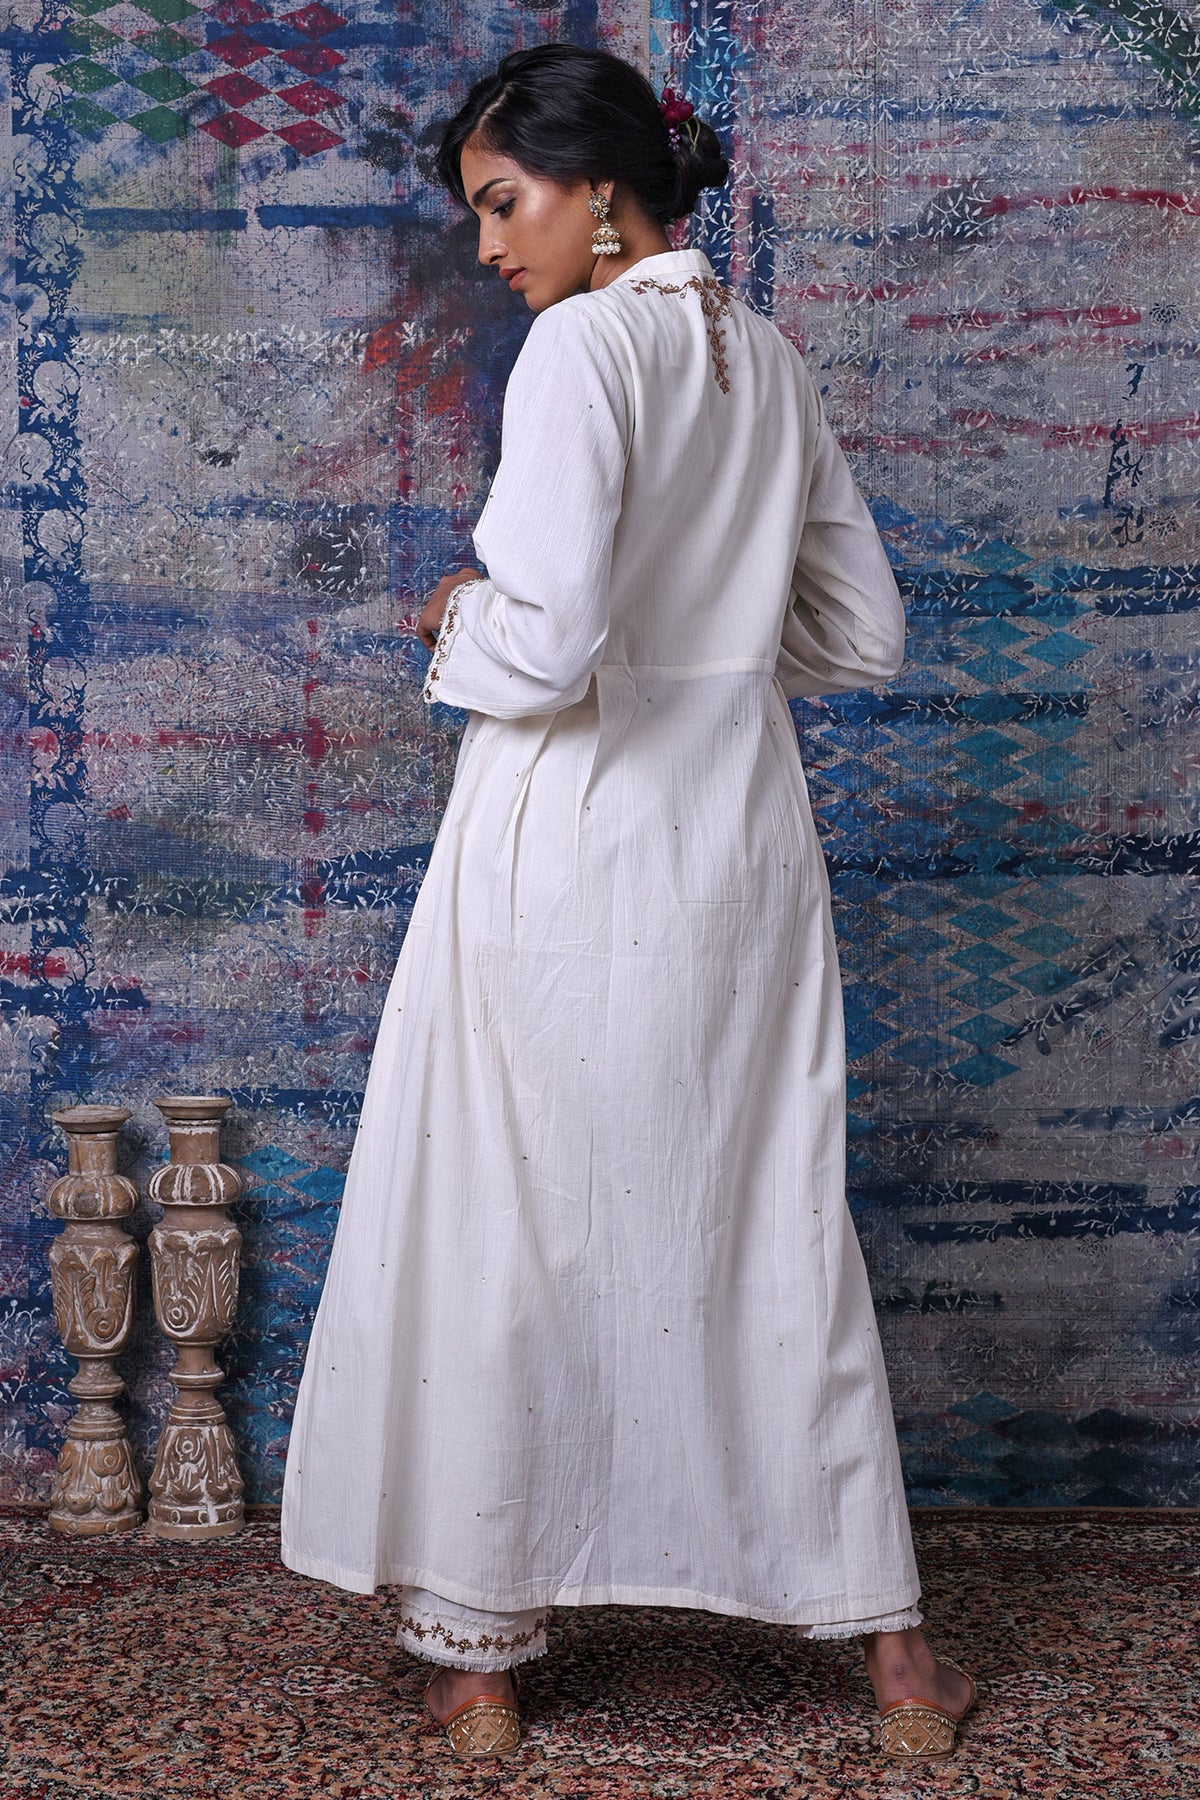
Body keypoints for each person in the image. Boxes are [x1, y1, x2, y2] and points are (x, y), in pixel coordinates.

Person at [279, 40, 976, 1766]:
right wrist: (712, 651)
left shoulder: (582, 348)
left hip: (574, 839)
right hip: (740, 846)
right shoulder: (772, 361)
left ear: (601, 193)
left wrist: (454, 608)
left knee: (517, 1219)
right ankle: (894, 1661)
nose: (489, 245)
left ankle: (481, 1662)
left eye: (504, 203)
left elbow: (543, 647)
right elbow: (863, 636)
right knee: (771, 1223)